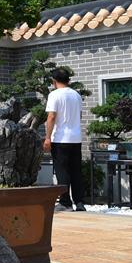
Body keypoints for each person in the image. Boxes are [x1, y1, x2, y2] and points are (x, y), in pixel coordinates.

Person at [44, 68, 85, 212]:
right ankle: (79, 202)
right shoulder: (76, 95)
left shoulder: (54, 95)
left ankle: (65, 202)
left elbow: (51, 117)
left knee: (62, 171)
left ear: (54, 81)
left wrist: (47, 137)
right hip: (76, 138)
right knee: (76, 171)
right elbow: (79, 116)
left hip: (60, 138)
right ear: (68, 80)